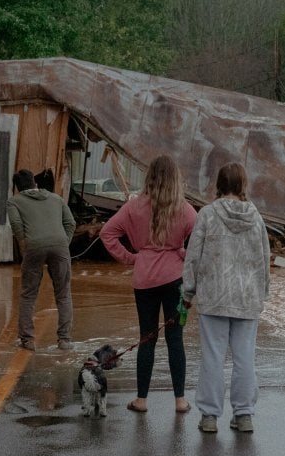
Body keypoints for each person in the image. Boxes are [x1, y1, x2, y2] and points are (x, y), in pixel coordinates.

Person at [100, 155, 197, 414]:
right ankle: (180, 401)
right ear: (175, 179)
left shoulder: (134, 207)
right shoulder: (185, 209)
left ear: (149, 176)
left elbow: (107, 233)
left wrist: (131, 258)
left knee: (147, 338)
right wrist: (183, 254)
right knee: (175, 339)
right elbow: (200, 244)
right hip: (175, 279)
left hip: (144, 280)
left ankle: (141, 400)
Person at [182, 162, 271, 434]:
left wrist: (187, 292)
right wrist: (262, 293)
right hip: (246, 298)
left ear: (219, 183)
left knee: (213, 357)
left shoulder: (207, 215)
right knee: (245, 357)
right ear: (243, 185)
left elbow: (193, 256)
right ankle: (243, 415)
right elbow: (264, 259)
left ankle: (209, 416)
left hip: (214, 297)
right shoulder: (256, 218)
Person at [6, 168, 76, 351]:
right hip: (60, 245)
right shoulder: (56, 198)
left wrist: (24, 246)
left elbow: (16, 225)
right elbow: (70, 223)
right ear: (35, 183)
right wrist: (63, 243)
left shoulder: (14, 202)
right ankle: (64, 340)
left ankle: (28, 340)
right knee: (63, 294)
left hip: (33, 246)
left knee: (28, 295)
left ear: (17, 188)